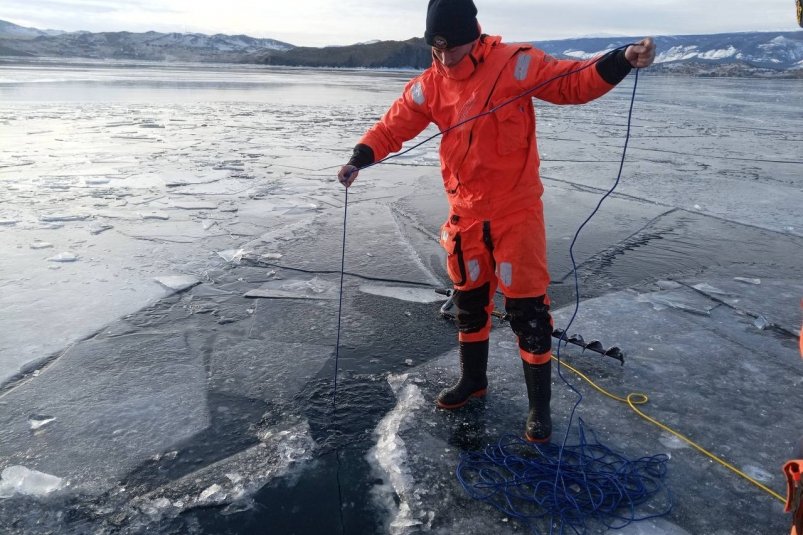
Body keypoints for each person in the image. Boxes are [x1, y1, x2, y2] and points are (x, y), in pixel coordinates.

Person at [337, 0, 656, 443]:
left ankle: (538, 408)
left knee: (528, 312)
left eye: (453, 47)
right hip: (464, 215)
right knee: (469, 304)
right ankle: (473, 381)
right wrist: (360, 157)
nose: (446, 58)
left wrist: (621, 59)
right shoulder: (430, 84)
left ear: (474, 34)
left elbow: (573, 82)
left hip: (515, 213)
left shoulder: (517, 64)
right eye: (437, 48)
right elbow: (393, 126)